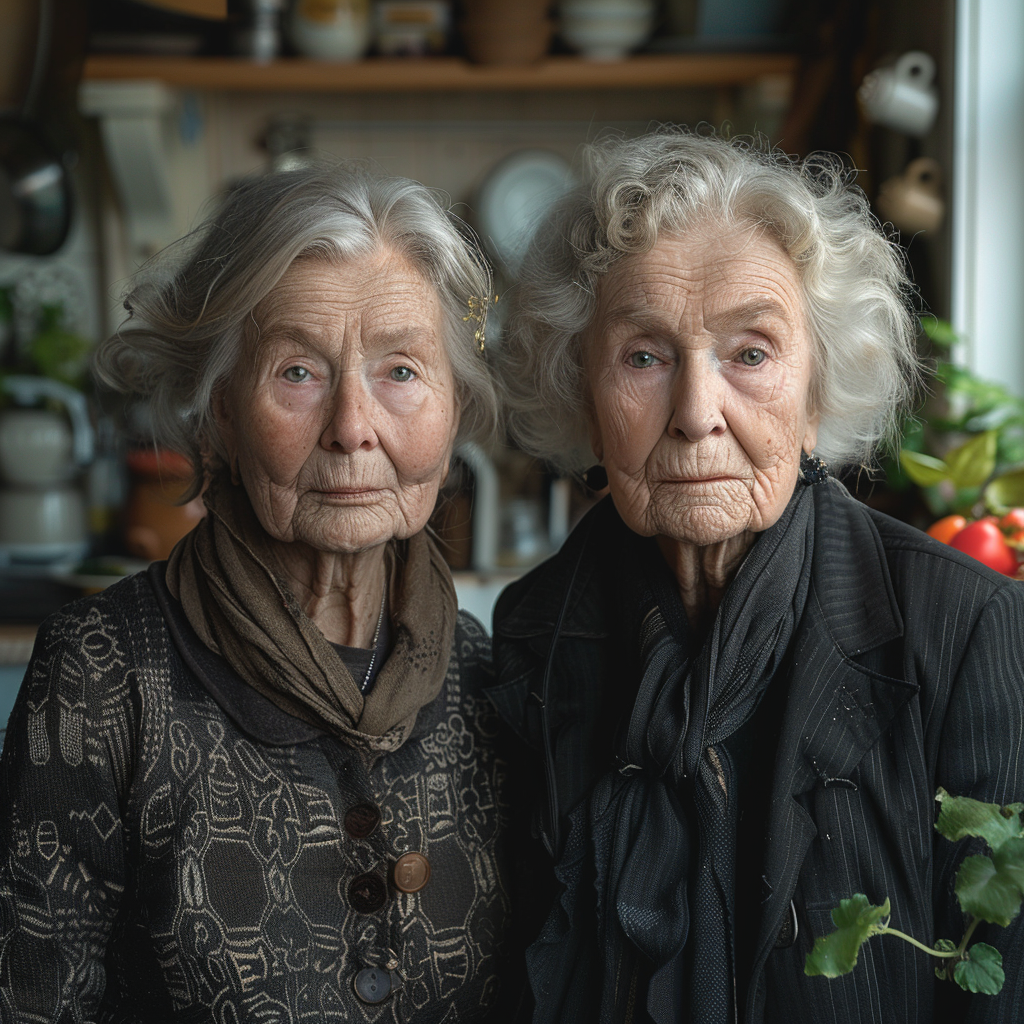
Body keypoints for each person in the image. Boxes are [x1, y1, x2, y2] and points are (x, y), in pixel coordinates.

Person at [490, 130, 1024, 1024]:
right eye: (645, 357)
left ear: (816, 396)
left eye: (750, 353)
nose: (698, 415)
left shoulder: (966, 629)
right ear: (583, 394)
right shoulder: (534, 633)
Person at [0, 166, 513, 1020]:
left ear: (453, 407)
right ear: (220, 415)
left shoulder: (491, 678)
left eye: (401, 370)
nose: (353, 427)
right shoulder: (102, 677)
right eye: (298, 373)